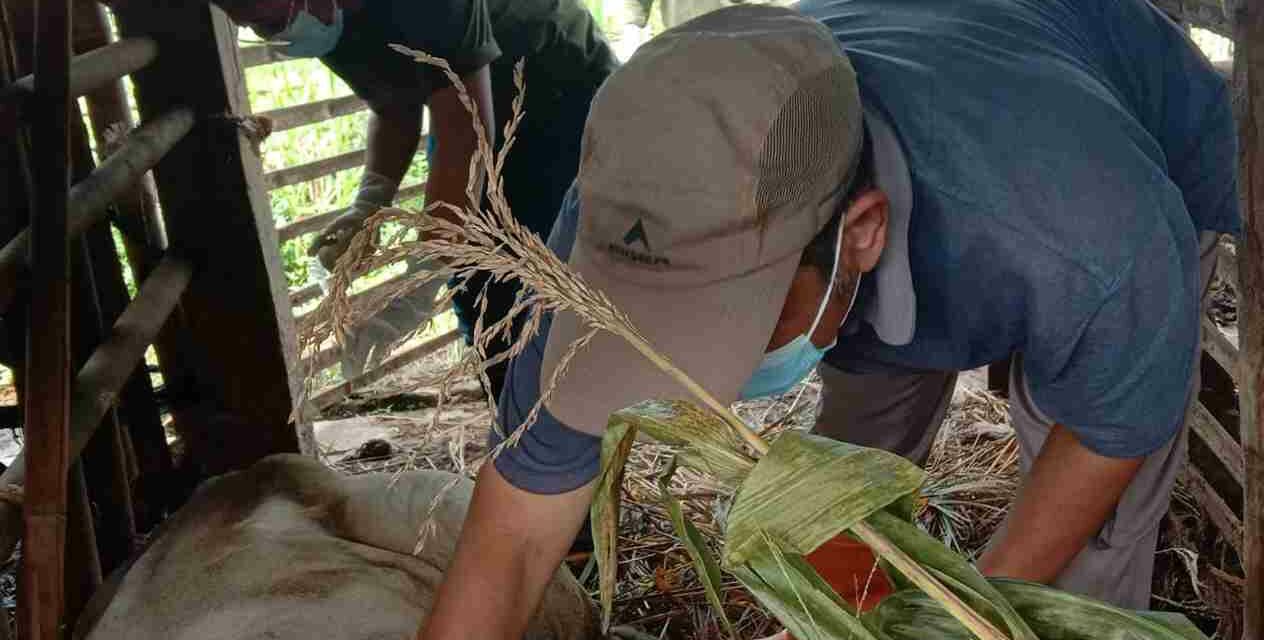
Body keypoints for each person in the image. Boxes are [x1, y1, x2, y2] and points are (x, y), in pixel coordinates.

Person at [417, 1, 1238, 637]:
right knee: (846, 484)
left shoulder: (1091, 233)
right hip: (896, 190)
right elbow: (517, 535)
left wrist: (966, 614)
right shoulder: (630, 215)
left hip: (1113, 143)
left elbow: (1108, 434)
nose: (696, 387)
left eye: (731, 319)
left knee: (1078, 559)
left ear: (863, 236)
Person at [229, 0, 618, 394]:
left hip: (555, 77)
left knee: (523, 259)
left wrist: (418, 284)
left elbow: (465, 133)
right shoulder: (325, 19)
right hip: (469, 88)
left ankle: (564, 413)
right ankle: (514, 415)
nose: (274, 35)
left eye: (270, 20)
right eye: (254, 28)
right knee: (474, 279)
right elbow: (392, 107)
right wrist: (369, 202)